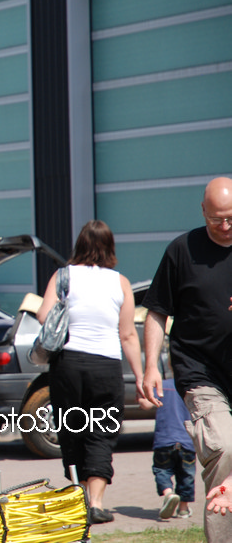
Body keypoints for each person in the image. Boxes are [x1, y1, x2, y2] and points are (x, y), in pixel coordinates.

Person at [141, 177, 232, 541]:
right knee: (224, 447)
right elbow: (156, 311)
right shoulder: (182, 251)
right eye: (216, 219)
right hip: (200, 373)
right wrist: (150, 365)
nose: (224, 226)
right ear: (202, 211)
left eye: (231, 218)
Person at [37, 220, 143, 525]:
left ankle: (79, 498)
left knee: (71, 430)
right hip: (106, 366)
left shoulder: (63, 276)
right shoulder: (120, 283)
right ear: (110, 247)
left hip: (68, 363)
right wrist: (140, 376)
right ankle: (96, 503)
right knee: (101, 432)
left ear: (79, 245)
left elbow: (43, 315)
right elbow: (128, 335)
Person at [144, 378, 197, 520]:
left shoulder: (162, 386)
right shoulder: (192, 386)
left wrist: (141, 394)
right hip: (187, 441)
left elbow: (146, 404)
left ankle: (168, 494)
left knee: (162, 470)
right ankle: (183, 509)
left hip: (164, 440)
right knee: (186, 476)